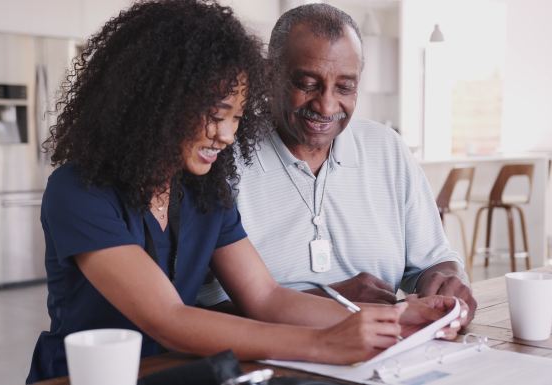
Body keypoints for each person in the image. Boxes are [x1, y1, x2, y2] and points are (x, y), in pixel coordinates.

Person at [26, 1, 467, 382]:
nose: (225, 136)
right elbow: (170, 319)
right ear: (158, 103)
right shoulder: (79, 192)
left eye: (236, 118)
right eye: (215, 116)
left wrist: (400, 318)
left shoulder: (204, 189)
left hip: (180, 373)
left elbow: (267, 297)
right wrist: (323, 345)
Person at [197, 3, 477, 321]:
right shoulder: (222, 158)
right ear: (268, 74)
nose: (327, 105)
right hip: (266, 354)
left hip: (384, 350)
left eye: (345, 87)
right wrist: (332, 302)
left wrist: (446, 283)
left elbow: (434, 261)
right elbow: (200, 309)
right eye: (307, 84)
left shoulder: (388, 150)